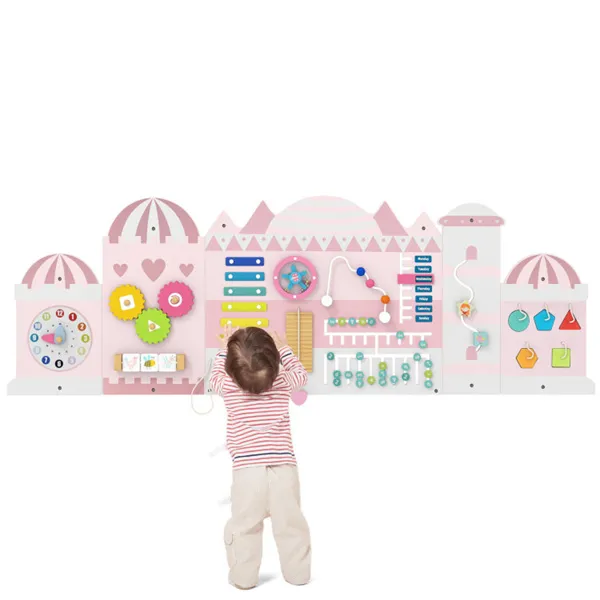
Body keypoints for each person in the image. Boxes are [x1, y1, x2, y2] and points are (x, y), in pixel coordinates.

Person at [209, 324, 311, 590]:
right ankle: (298, 575)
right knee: (291, 526)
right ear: (275, 365)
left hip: (247, 474)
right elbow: (301, 374)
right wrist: (284, 347)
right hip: (284, 470)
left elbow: (214, 376)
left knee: (245, 528)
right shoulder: (283, 382)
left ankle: (243, 578)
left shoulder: (228, 387)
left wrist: (224, 349)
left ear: (232, 371)